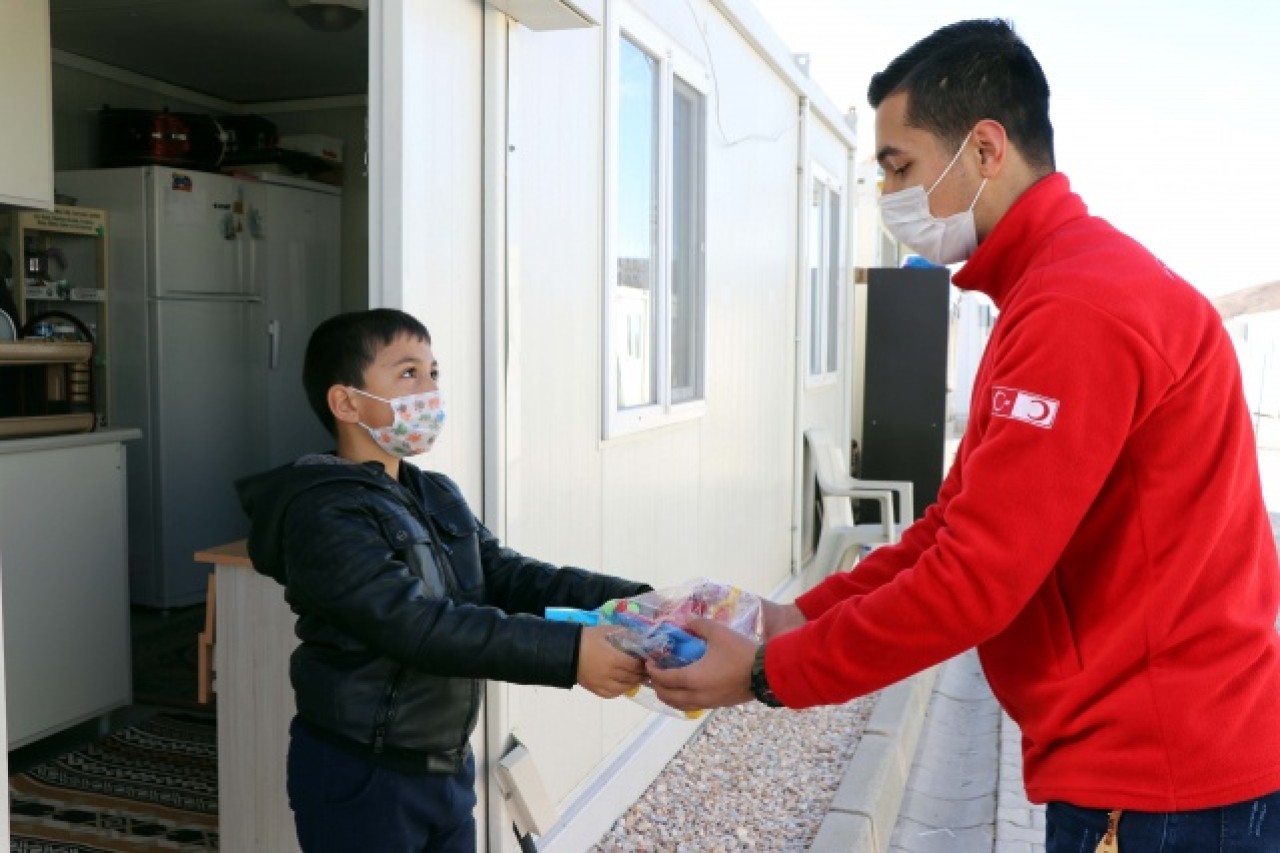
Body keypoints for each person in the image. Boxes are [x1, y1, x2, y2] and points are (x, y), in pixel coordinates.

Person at [647, 19, 1280, 851]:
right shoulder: (1051, 289)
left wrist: (767, 672)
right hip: (1154, 758)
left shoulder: (1076, 308)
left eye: (900, 167)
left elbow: (975, 579)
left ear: (985, 148)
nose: (890, 197)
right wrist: (786, 616)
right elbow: (950, 531)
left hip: (1163, 779)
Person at [236, 308, 651, 852]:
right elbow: (416, 625)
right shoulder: (323, 513)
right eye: (408, 374)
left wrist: (635, 601)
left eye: (434, 374)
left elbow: (510, 577)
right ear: (346, 402)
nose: (429, 392)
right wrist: (571, 653)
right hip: (363, 773)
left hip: (446, 767)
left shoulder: (433, 492)